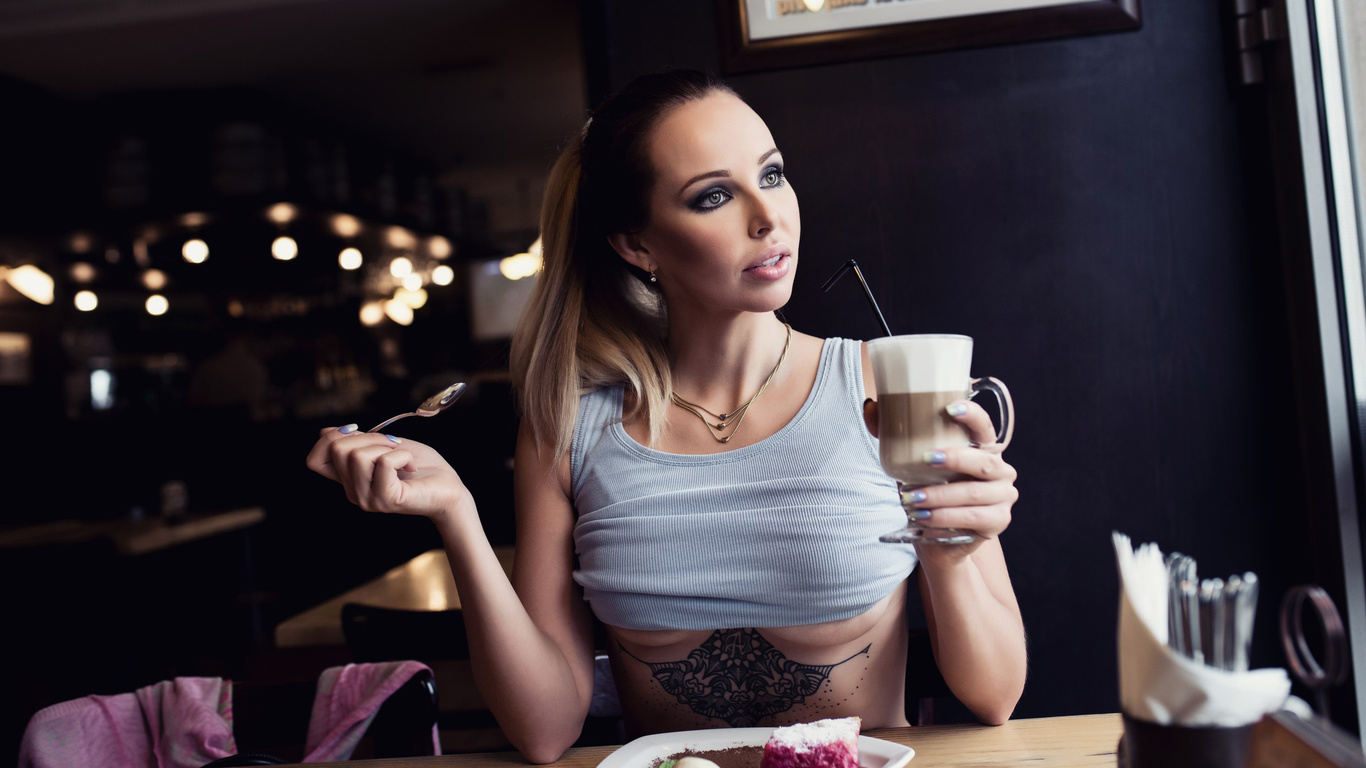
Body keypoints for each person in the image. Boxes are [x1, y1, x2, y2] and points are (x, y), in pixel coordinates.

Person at [306, 70, 1025, 763]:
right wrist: (457, 514)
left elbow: (995, 698)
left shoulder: (886, 385)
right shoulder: (570, 427)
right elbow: (545, 733)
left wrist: (951, 542)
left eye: (772, 174)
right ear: (636, 243)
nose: (767, 216)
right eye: (713, 196)